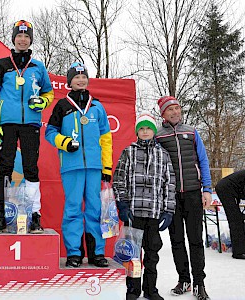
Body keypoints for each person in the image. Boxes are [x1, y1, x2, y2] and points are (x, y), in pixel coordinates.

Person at [0, 20, 54, 234]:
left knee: (31, 168)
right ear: (13, 38)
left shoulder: (38, 67)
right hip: (6, 124)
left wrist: (43, 102)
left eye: (26, 36)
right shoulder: (2, 65)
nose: (22, 39)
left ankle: (35, 216)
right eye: (19, 36)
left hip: (31, 124)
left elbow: (49, 93)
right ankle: (0, 217)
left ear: (30, 39)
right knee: (4, 168)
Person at [45, 62, 111, 268]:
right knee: (72, 209)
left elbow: (106, 138)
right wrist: (64, 143)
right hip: (71, 166)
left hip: (93, 166)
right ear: (69, 82)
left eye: (83, 77)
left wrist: (106, 167)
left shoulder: (97, 107)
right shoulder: (62, 106)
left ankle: (97, 252)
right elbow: (50, 133)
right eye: (76, 77)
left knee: (95, 208)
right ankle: (74, 253)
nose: (80, 80)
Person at [113, 111, 176, 300]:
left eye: (149, 128)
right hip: (134, 212)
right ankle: (133, 289)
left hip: (154, 212)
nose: (146, 131)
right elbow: (119, 180)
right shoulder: (129, 151)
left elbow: (169, 184)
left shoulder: (163, 154)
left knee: (152, 253)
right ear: (137, 132)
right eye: (142, 129)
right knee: (132, 254)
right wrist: (122, 204)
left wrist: (168, 211)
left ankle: (150, 289)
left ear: (154, 131)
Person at [156, 96, 212, 300]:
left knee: (195, 240)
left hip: (193, 193)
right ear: (163, 114)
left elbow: (203, 161)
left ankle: (199, 283)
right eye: (170, 109)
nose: (175, 112)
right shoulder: (158, 136)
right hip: (171, 197)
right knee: (177, 240)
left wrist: (207, 189)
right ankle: (184, 279)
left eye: (177, 108)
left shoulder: (192, 132)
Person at [215, 170, 245, 259]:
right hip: (225, 189)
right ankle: (238, 252)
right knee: (235, 220)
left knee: (238, 219)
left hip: (231, 189)